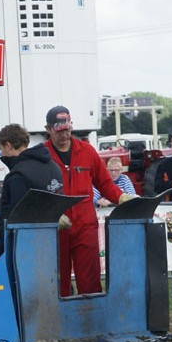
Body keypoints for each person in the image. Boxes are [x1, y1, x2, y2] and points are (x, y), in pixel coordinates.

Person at [43, 105, 134, 296]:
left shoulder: (87, 151)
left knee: (89, 280)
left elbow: (105, 183)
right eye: (59, 131)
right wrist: (50, 214)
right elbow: (36, 190)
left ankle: (91, 313)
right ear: (48, 129)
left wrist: (121, 197)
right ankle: (61, 314)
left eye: (67, 129)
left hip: (85, 225)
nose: (64, 135)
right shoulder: (42, 156)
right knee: (57, 280)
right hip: (55, 227)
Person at [0, 123, 65, 257]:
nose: (1, 154)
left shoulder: (18, 176)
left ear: (8, 145)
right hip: (49, 244)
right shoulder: (53, 166)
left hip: (21, 248)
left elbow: (15, 218)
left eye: (1, 149)